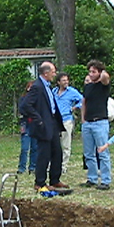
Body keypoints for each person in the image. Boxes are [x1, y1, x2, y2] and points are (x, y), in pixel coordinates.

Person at [21, 61, 66, 191]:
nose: (54, 74)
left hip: (52, 123)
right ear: (46, 73)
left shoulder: (47, 86)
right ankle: (40, 182)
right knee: (44, 154)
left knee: (57, 152)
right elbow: (25, 105)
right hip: (43, 125)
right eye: (53, 72)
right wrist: (38, 119)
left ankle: (55, 179)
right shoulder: (37, 86)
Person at [81, 60, 112, 190]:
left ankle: (105, 180)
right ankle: (92, 178)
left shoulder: (103, 85)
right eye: (90, 71)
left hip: (100, 122)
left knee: (102, 152)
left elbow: (105, 77)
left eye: (93, 72)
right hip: (88, 123)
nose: (91, 74)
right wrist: (83, 120)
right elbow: (84, 102)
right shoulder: (88, 87)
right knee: (89, 153)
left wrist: (100, 72)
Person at [53, 72, 83, 175]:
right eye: (63, 80)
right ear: (58, 82)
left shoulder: (72, 92)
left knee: (65, 144)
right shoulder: (54, 91)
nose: (66, 82)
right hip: (55, 120)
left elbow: (82, 100)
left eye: (67, 80)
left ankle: (64, 166)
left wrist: (75, 107)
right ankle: (53, 164)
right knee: (54, 144)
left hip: (66, 119)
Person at [17, 82, 38, 175]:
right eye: (29, 87)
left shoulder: (38, 99)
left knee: (35, 147)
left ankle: (33, 167)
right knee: (24, 148)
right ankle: (22, 168)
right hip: (25, 124)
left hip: (35, 124)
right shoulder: (23, 99)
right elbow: (22, 109)